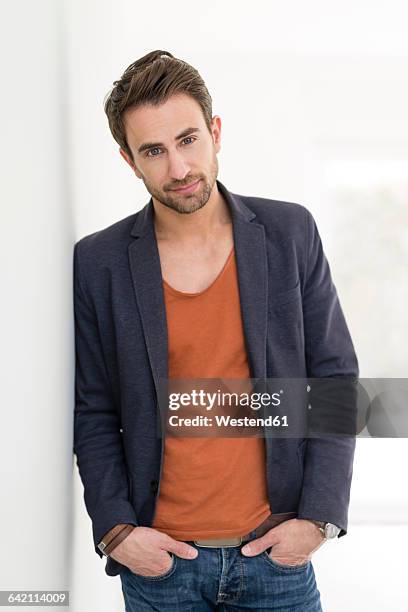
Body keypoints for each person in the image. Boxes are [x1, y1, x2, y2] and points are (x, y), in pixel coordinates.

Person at [73, 50, 359, 611]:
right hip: (162, 568)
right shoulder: (99, 262)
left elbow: (334, 380)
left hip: (274, 556)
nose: (178, 169)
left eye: (188, 140)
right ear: (130, 161)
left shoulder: (288, 232)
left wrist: (319, 521)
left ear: (215, 132)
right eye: (153, 151)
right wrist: (117, 534)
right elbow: (94, 409)